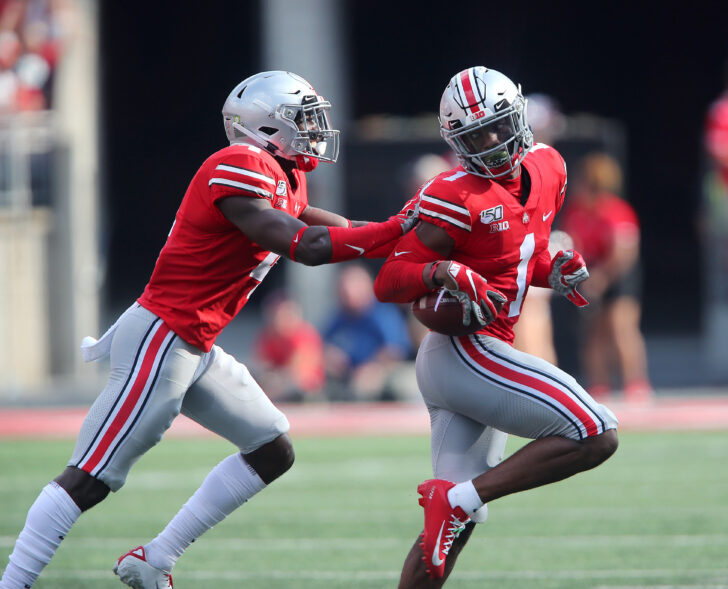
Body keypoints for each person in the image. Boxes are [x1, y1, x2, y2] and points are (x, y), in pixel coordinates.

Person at [0, 70, 417, 589]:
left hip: (194, 344)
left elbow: (333, 227)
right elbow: (306, 246)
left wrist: (404, 232)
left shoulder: (282, 173)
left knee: (271, 449)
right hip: (162, 337)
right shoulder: (239, 165)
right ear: (266, 127)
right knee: (88, 479)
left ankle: (155, 560)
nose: (315, 129)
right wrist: (399, 229)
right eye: (302, 120)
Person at [374, 66, 619, 587]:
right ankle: (458, 498)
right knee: (596, 433)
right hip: (462, 349)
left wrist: (553, 271)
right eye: (473, 136)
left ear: (519, 116)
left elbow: (515, 261)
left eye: (497, 126)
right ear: (454, 143)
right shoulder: (451, 195)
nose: (490, 143)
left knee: (449, 532)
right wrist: (442, 270)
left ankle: (455, 503)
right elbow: (389, 279)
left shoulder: (550, 168)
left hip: (477, 353)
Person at [559, 152, 653, 402]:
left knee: (621, 328)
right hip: (590, 275)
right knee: (593, 331)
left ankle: (636, 384)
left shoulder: (616, 211)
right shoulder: (577, 211)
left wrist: (602, 277)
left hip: (618, 275)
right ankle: (599, 385)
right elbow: (573, 244)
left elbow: (625, 253)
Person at [323, 263, 412, 401]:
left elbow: (395, 350)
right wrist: (330, 356)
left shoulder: (383, 313)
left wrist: (372, 366)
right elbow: (322, 344)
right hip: (344, 376)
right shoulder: (339, 316)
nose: (347, 293)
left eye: (353, 288)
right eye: (343, 289)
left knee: (365, 387)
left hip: (377, 373)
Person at [253, 290, 326, 402]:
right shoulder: (268, 336)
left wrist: (276, 378)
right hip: (278, 387)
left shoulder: (305, 336)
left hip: (303, 391)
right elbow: (261, 365)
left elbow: (300, 374)